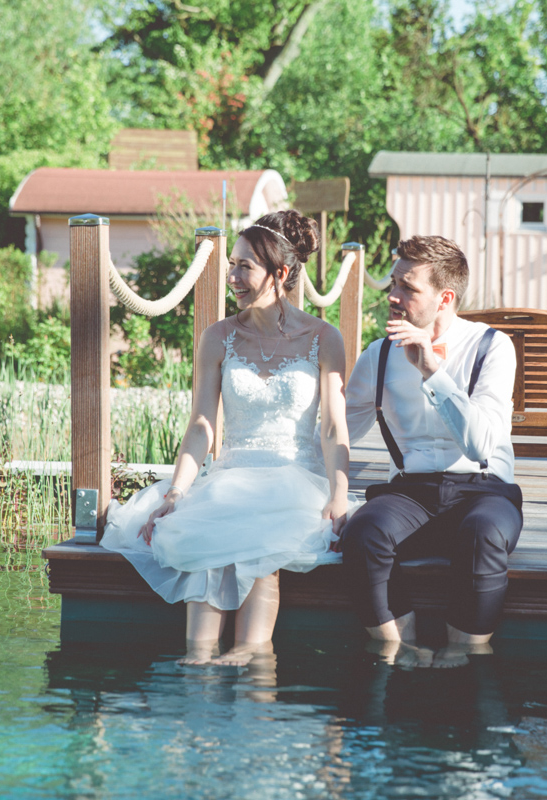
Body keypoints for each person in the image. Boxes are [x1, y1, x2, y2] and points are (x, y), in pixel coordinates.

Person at [101, 210, 353, 665]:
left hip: (294, 473)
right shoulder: (217, 337)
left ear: (280, 273)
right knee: (209, 532)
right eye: (231, 264)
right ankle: (198, 664)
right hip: (234, 471)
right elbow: (202, 424)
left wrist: (339, 493)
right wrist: (177, 489)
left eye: (244, 267)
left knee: (262, 543)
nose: (232, 277)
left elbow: (334, 426)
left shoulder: (324, 337)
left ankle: (251, 658)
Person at [340, 235, 523, 665]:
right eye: (393, 284)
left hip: (485, 490)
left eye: (408, 287)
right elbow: (336, 434)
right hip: (411, 492)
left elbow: (481, 444)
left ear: (445, 298)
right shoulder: (378, 356)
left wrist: (432, 371)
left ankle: (465, 661)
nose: (394, 296)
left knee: (484, 535)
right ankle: (400, 655)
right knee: (363, 533)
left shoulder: (493, 347)